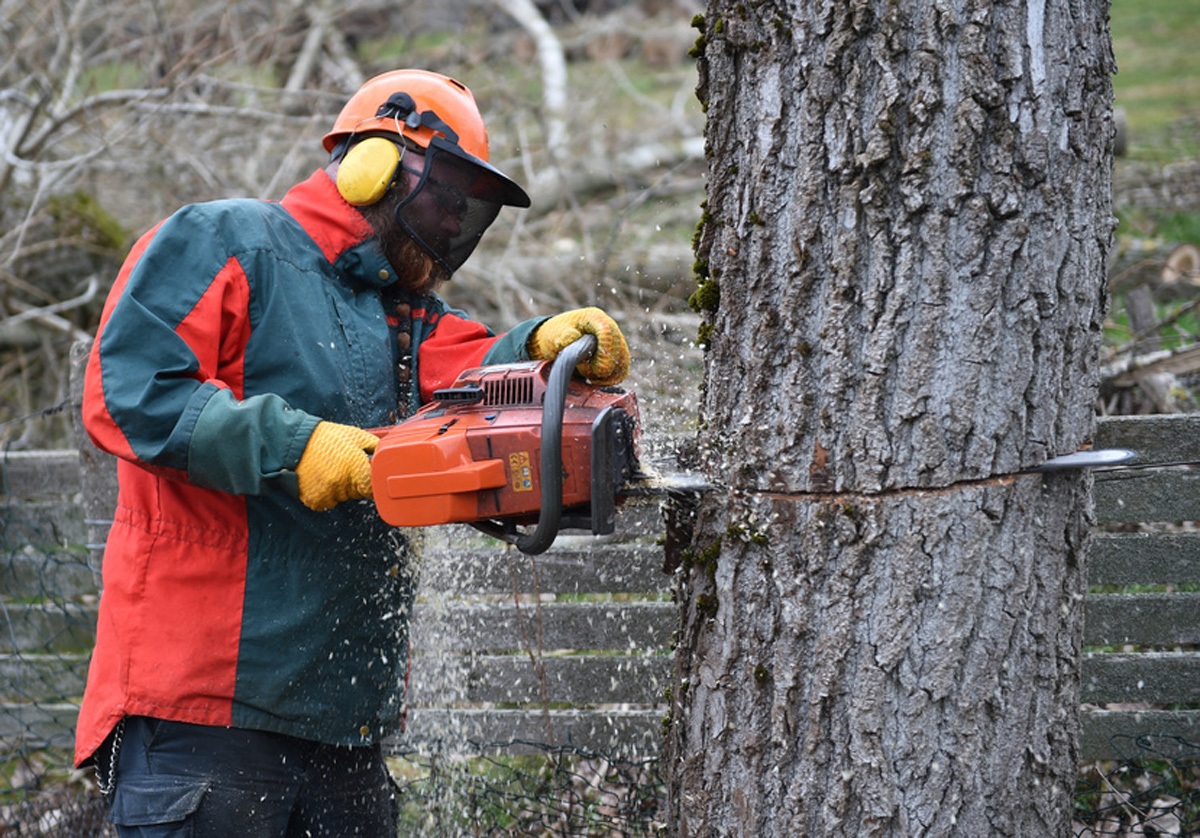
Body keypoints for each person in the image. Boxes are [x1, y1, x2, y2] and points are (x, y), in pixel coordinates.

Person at [74, 68, 631, 836]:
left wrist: (540, 348)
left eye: (469, 211)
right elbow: (129, 391)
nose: (451, 223)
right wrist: (297, 446)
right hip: (204, 709)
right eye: (446, 196)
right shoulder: (228, 242)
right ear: (375, 161)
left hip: (344, 720)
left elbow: (466, 382)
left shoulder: (400, 316)